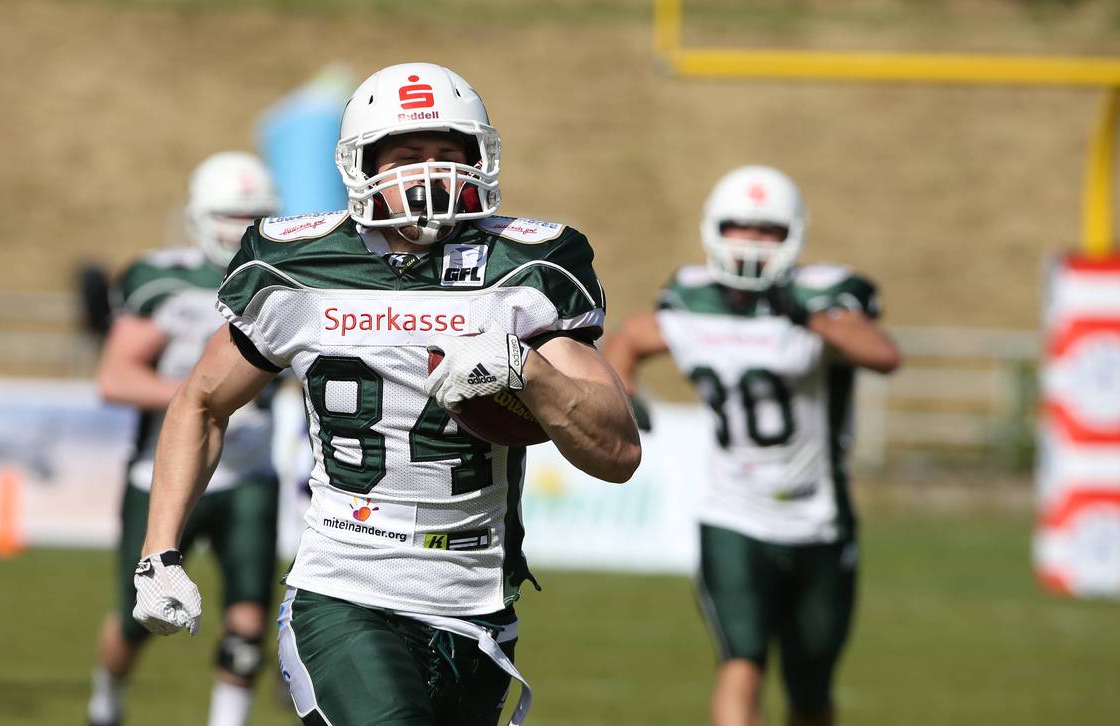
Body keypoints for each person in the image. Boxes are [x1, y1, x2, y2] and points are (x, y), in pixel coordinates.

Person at [129, 62, 641, 726]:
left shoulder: (528, 269)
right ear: (362, 166)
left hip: (476, 600)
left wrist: (527, 369)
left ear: (479, 157)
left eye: (445, 154)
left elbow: (618, 452)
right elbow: (201, 401)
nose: (429, 175)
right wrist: (159, 550)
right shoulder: (297, 265)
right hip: (344, 587)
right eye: (406, 156)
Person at [603, 165, 901, 726]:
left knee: (811, 691)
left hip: (819, 519)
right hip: (732, 514)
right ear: (716, 228)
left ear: (793, 234)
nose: (752, 242)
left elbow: (882, 354)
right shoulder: (693, 297)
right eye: (741, 227)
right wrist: (623, 396)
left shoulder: (828, 295)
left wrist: (809, 317)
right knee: (740, 662)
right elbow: (629, 338)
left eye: (767, 230)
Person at [85, 151, 283, 726]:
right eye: (230, 214)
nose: (243, 228)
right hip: (163, 474)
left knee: (247, 624)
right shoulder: (162, 279)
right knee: (135, 619)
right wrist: (200, 399)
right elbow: (116, 376)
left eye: (257, 215)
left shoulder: (284, 277)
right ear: (199, 216)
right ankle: (107, 703)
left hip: (249, 474)